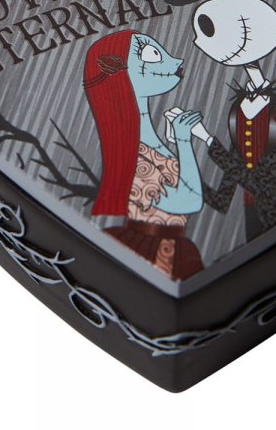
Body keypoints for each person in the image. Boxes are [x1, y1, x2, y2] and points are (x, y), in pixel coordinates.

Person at [192, 0, 276, 240]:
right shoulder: (238, 108)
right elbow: (222, 198)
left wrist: (208, 139)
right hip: (250, 219)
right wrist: (180, 164)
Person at [83, 30, 204, 280]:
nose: (177, 61)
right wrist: (183, 141)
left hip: (174, 248)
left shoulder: (148, 141)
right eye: (152, 55)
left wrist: (177, 140)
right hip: (153, 253)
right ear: (118, 70)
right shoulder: (130, 153)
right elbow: (189, 201)